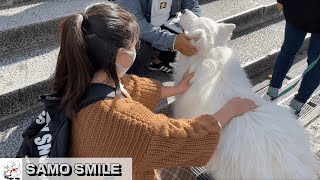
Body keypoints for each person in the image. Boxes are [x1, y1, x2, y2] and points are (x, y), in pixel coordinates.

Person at [51, 2, 257, 179]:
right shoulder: (132, 123)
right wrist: (229, 110)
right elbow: (185, 137)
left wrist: (176, 89)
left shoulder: (80, 79)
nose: (137, 49)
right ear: (122, 56)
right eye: (135, 45)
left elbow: (133, 87)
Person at [117, 0, 200, 75]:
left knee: (189, 43)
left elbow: (192, 6)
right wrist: (172, 41)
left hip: (165, 24)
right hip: (134, 29)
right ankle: (133, 78)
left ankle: (156, 60)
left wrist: (195, 28)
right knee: (140, 52)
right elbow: (136, 23)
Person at [266, 0, 320, 113]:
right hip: (296, 9)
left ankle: (297, 104)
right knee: (287, 51)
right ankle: (272, 90)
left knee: (315, 62)